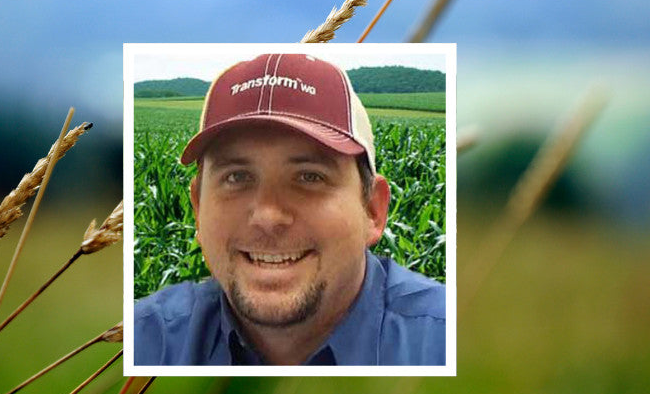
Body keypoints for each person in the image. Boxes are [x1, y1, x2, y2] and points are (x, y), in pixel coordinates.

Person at [134, 53, 445, 366]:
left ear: (373, 210)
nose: (268, 216)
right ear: (198, 209)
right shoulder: (140, 345)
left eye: (310, 177)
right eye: (236, 177)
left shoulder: (446, 342)